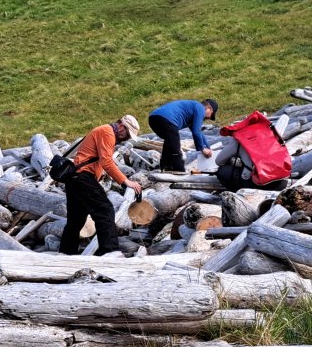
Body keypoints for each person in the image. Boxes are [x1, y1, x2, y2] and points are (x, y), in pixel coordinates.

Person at [59, 115, 143, 256]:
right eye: (128, 134)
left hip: (75, 178)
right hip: (82, 177)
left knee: (76, 219)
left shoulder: (105, 131)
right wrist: (125, 181)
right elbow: (107, 162)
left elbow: (100, 160)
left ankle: (66, 253)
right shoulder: (107, 132)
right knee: (105, 210)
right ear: (122, 126)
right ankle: (109, 252)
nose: (127, 138)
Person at [215, 111, 291, 192]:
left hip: (257, 183)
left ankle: (238, 194)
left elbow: (219, 161)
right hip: (281, 181)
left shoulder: (240, 137)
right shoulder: (271, 132)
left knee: (222, 171)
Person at [148, 99, 218, 172]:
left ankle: (164, 166)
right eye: (211, 115)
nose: (209, 118)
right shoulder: (200, 108)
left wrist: (208, 147)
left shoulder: (192, 108)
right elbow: (196, 132)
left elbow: (199, 132)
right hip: (166, 119)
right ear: (209, 108)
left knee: (170, 142)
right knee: (175, 146)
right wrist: (202, 149)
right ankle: (179, 170)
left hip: (153, 118)